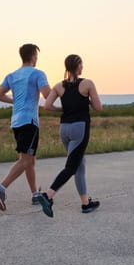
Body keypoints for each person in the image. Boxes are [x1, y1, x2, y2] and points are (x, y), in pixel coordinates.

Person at [34, 54, 102, 217]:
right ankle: (48, 195)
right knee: (72, 167)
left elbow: (47, 106)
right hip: (80, 128)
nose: (82, 67)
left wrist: (62, 110)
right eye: (81, 64)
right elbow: (98, 107)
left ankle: (85, 203)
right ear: (78, 66)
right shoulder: (87, 83)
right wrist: (87, 101)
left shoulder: (59, 86)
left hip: (64, 129)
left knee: (79, 164)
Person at [0, 43, 51, 211]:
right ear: (32, 57)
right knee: (25, 160)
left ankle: (34, 194)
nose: (37, 60)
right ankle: (0, 188)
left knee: (29, 159)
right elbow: (47, 95)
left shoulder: (12, 75)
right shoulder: (38, 74)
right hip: (30, 121)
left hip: (16, 121)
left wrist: (14, 101)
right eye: (36, 57)